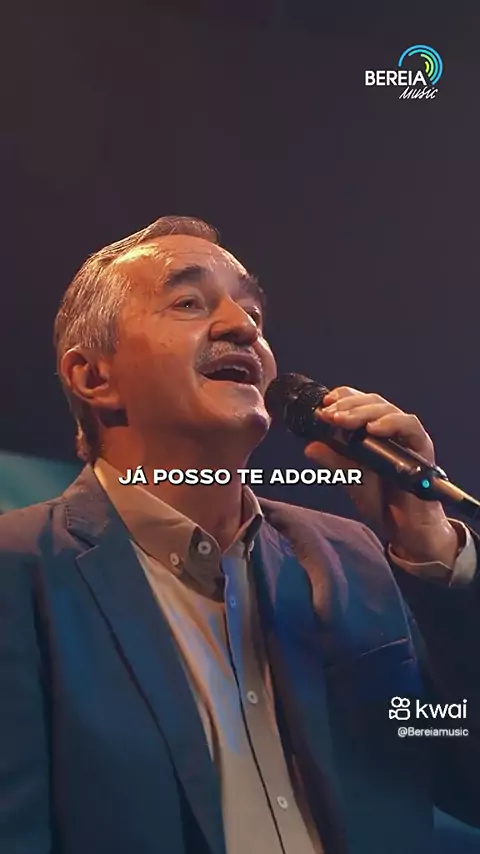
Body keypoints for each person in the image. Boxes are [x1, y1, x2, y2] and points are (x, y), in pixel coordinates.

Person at [1, 216, 479, 854]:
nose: (243, 326)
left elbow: (464, 771)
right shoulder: (20, 571)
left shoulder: (353, 557)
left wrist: (434, 555)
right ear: (94, 377)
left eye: (252, 312)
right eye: (188, 302)